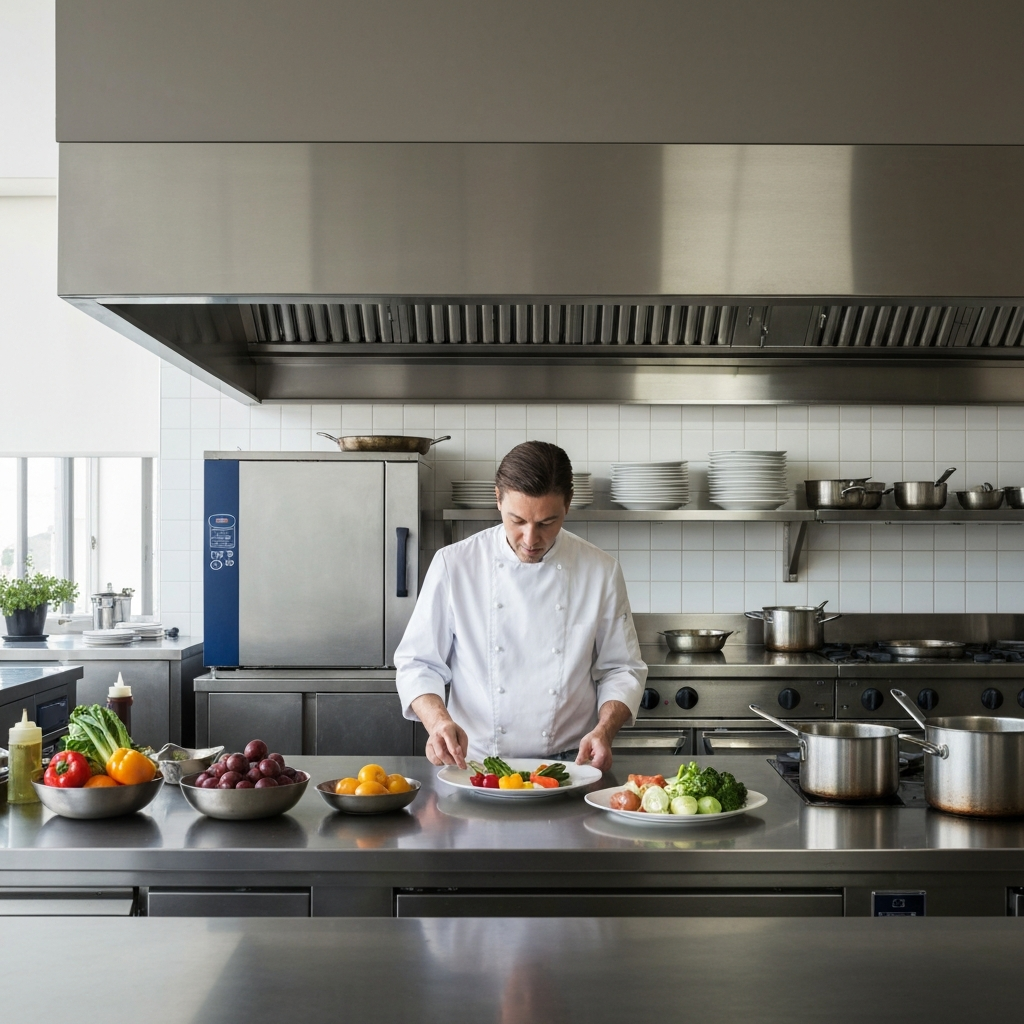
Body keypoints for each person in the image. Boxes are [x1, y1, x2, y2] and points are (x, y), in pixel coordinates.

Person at [395, 440, 647, 771]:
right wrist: (438, 722)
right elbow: (418, 663)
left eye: (546, 523)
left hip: (570, 765)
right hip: (475, 763)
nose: (530, 539)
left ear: (568, 506)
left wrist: (604, 731)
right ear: (498, 499)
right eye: (517, 521)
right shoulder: (455, 564)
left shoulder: (599, 570)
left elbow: (621, 668)